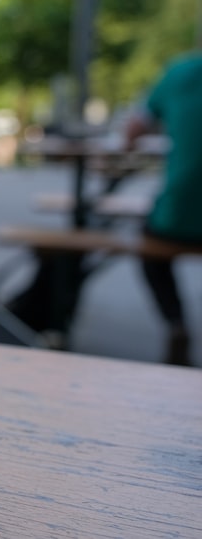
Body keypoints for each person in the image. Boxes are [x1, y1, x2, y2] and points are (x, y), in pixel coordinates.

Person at [125, 50, 202, 366]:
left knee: (148, 247)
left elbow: (132, 131)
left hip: (179, 218)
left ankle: (176, 322)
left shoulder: (180, 72)